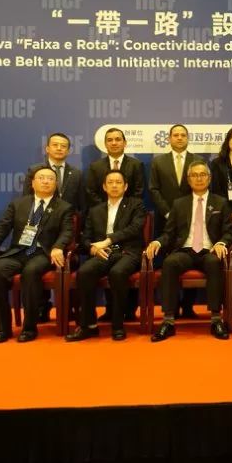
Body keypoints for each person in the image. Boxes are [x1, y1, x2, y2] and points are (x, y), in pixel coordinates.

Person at [0, 166, 73, 343]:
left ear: (56, 184)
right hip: (18, 251)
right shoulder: (18, 204)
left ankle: (29, 327)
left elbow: (67, 231)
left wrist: (58, 247)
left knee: (31, 272)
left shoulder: (64, 207)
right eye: (41, 178)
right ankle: (3, 329)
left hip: (43, 253)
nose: (45, 181)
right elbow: (0, 230)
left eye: (50, 179)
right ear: (32, 183)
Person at [146, 159, 232, 341]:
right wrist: (157, 242)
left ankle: (216, 319)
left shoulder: (220, 202)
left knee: (214, 263)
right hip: (185, 250)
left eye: (202, 175)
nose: (199, 179)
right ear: (188, 180)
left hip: (209, 250)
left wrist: (222, 243)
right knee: (170, 263)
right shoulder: (179, 204)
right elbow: (169, 233)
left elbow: (229, 232)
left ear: (209, 178)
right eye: (194, 175)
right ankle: (168, 321)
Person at [65, 170, 146, 342]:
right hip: (103, 253)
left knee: (117, 273)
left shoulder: (136, 205)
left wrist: (108, 240)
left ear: (125, 186)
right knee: (84, 272)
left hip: (127, 252)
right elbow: (85, 238)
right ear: (104, 186)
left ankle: (118, 325)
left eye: (118, 182)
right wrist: (92, 249)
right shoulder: (95, 210)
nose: (114, 186)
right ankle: (89, 325)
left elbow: (134, 229)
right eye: (110, 182)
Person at [85, 127, 145, 322]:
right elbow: (90, 192)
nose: (114, 142)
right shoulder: (96, 167)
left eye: (118, 139)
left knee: (119, 271)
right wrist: (106, 208)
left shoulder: (135, 165)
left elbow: (139, 192)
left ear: (124, 142)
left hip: (127, 240)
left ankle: (126, 315)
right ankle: (95, 320)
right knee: (90, 270)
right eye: (110, 139)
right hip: (103, 238)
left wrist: (123, 209)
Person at [23, 132, 84, 323]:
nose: (59, 148)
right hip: (40, 232)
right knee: (34, 266)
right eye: (55, 145)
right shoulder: (35, 170)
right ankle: (42, 308)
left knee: (71, 265)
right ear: (47, 148)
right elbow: (27, 202)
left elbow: (80, 205)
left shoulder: (76, 173)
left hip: (67, 231)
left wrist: (77, 231)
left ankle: (69, 308)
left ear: (69, 150)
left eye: (63, 146)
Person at [149, 123, 201, 318]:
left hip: (192, 219)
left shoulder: (198, 161)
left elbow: (201, 188)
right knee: (168, 264)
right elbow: (154, 189)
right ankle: (170, 307)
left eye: (183, 135)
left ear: (187, 138)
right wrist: (168, 212)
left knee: (193, 258)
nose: (179, 138)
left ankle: (188, 306)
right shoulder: (158, 162)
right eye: (175, 135)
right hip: (166, 220)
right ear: (169, 138)